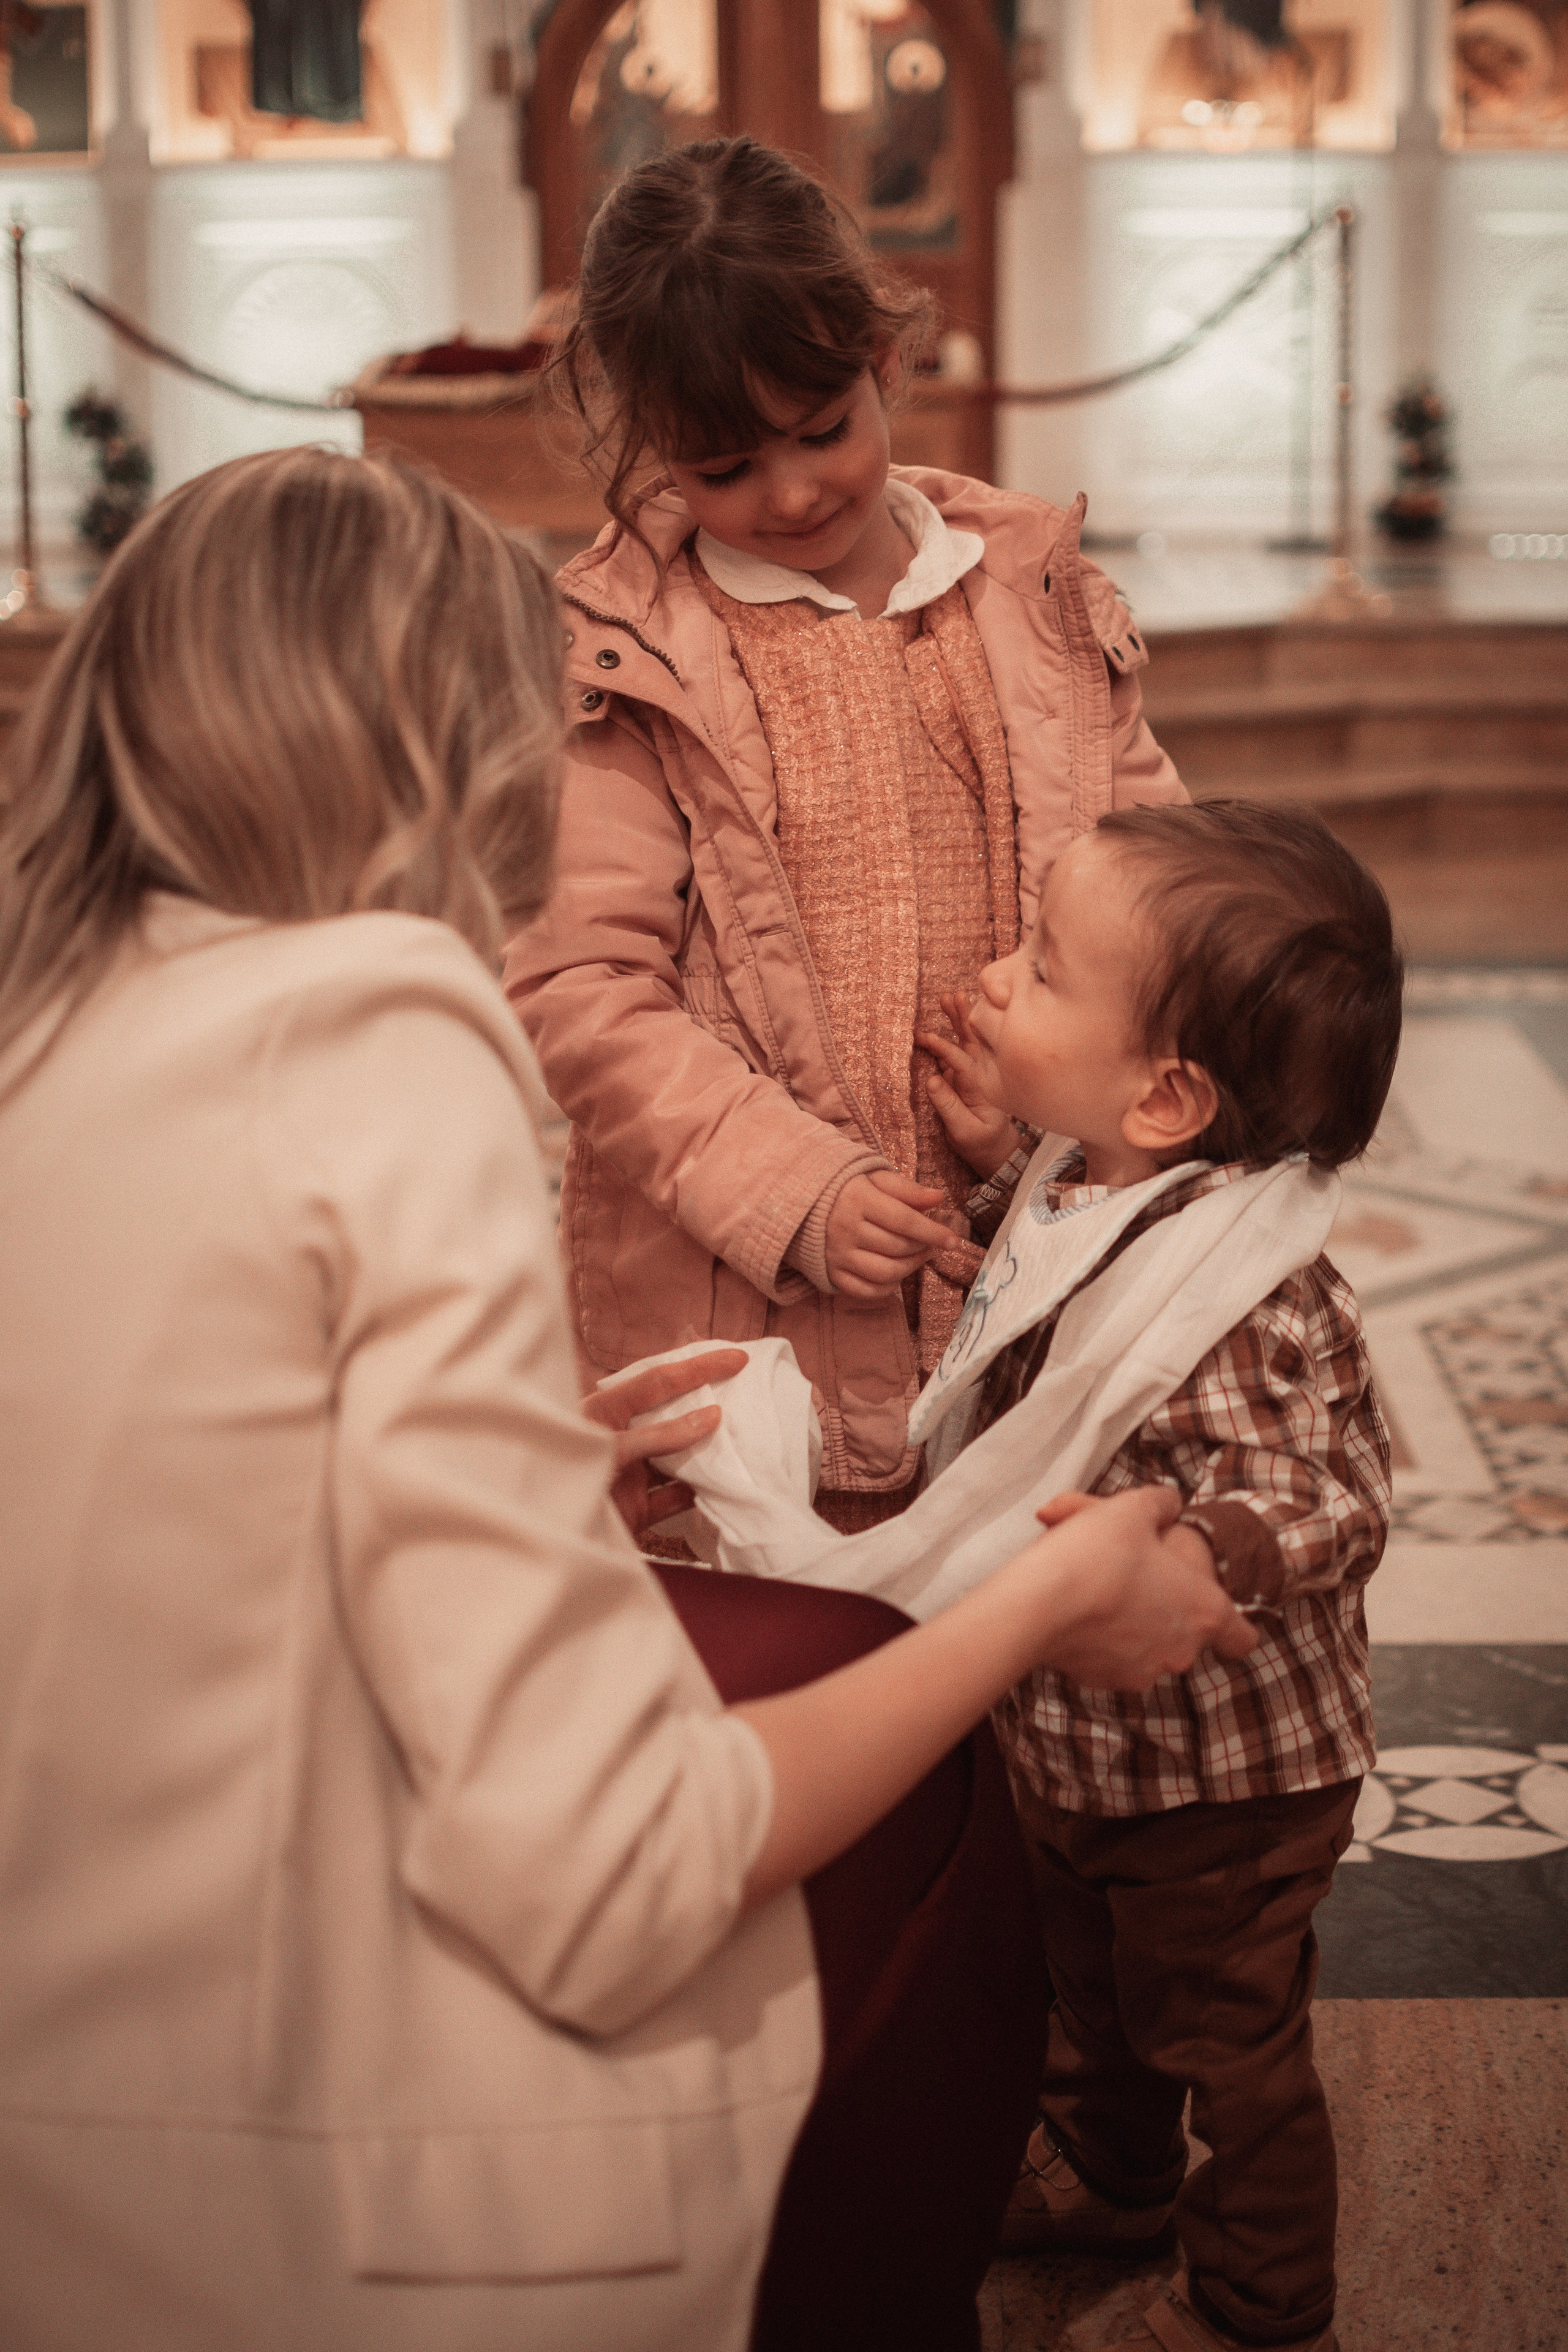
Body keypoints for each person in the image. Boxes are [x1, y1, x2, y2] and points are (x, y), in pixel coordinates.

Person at [0, 447, 1257, 2352]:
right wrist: (1041, 1608)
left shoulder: (59, 1018)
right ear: (435, 753)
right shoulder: (368, 1025)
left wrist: (527, 1440)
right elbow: (613, 1868)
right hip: (258, 2161)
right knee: (920, 1776)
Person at [503, 133, 1185, 1534]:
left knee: (1010, 1675)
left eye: (821, 429)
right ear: (640, 436)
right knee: (792, 1707)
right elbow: (578, 989)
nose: (794, 491)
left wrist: (1039, 1129)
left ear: (884, 358)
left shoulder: (1038, 598)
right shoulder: (623, 655)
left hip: (1026, 1251)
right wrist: (792, 1188)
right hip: (742, 1301)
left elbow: (1163, 907)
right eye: (725, 466)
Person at [920, 799, 1403, 2352]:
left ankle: (1260, 2304)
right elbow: (1044, 1289)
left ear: (1169, 1091)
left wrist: (1211, 1546)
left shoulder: (1244, 1294)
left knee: (1227, 2047)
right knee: (1091, 1999)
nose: (996, 980)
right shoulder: (1096, 1183)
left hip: (1222, 1784)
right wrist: (990, 1174)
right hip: (1080, 1746)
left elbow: (1328, 1496)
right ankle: (1110, 2181)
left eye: (1039, 970)